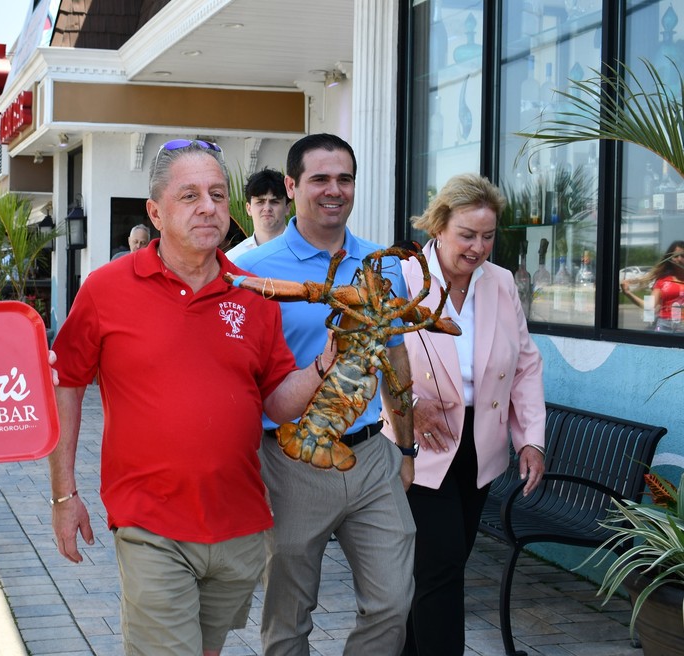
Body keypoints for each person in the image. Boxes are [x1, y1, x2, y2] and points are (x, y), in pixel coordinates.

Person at [48, 139, 331, 656]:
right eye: (190, 195)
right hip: (149, 522)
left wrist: (325, 364)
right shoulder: (106, 289)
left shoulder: (255, 293)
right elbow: (66, 383)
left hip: (239, 525)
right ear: (155, 212)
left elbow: (277, 404)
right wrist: (65, 495)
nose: (208, 206)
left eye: (218, 194)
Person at [234, 133, 418, 655]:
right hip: (289, 461)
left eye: (344, 179)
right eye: (319, 179)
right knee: (288, 620)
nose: (333, 190)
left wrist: (405, 450)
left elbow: (397, 360)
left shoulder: (384, 264)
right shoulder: (256, 271)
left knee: (392, 604)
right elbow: (241, 377)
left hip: (371, 455)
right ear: (292, 186)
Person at [388, 173, 545, 656]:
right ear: (439, 227)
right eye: (467, 234)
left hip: (481, 449)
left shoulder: (500, 283)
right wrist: (409, 407)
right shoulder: (401, 275)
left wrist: (531, 439)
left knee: (441, 567)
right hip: (418, 447)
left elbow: (525, 363)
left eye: (488, 235)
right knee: (441, 566)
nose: (479, 247)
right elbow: (367, 358)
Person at [225, 167, 290, 260]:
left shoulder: (307, 253)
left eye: (274, 202)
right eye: (260, 202)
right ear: (248, 208)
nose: (267, 208)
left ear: (287, 208)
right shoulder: (233, 258)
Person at [621, 240, 684, 333]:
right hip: (664, 326)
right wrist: (628, 293)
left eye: (683, 256)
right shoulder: (662, 281)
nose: (679, 259)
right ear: (670, 259)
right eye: (675, 256)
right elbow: (649, 306)